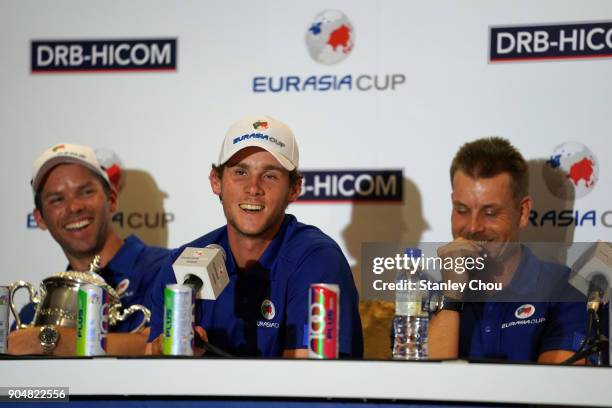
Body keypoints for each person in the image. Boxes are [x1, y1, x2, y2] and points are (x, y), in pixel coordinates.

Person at [146, 116, 363, 357]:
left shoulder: (318, 261)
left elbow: (310, 380)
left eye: (270, 175)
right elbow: (152, 361)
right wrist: (163, 354)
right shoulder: (182, 264)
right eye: (240, 172)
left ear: (294, 189)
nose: (253, 188)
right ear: (216, 181)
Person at [428, 137, 587, 363]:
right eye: (462, 210)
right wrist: (451, 298)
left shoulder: (565, 291)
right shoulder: (425, 295)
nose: (473, 227)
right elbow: (422, 390)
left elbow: (560, 391)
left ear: (522, 212)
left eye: (490, 212)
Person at [8, 143, 170, 355]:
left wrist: (46, 339)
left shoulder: (166, 271)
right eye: (57, 199)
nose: (74, 207)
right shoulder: (32, 316)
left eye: (85, 192)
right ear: (40, 219)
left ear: (111, 200)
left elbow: (169, 344)